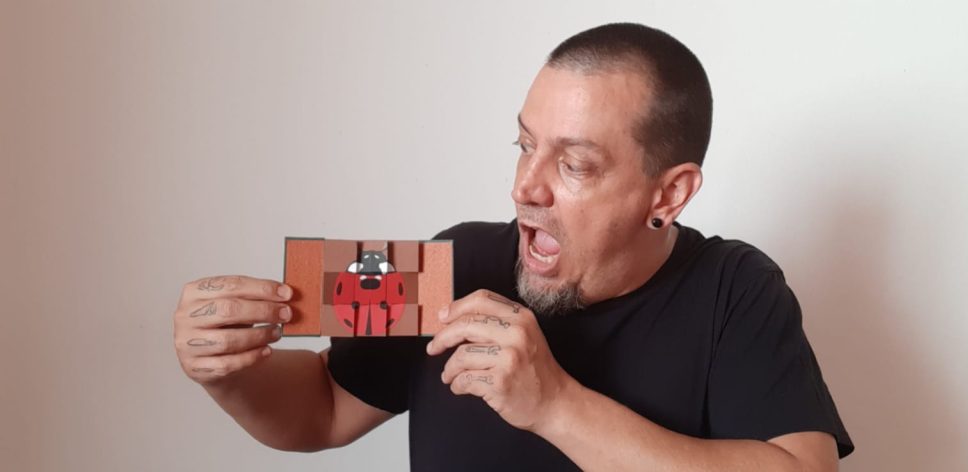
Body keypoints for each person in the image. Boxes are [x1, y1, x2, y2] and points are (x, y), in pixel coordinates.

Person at [173, 22, 854, 471]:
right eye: (525, 145)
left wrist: (556, 404)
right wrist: (233, 371)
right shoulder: (457, 262)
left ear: (669, 194)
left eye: (574, 165)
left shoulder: (735, 288)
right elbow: (324, 409)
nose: (524, 186)